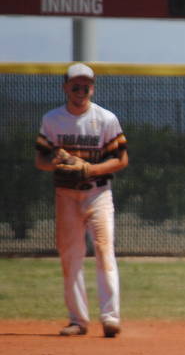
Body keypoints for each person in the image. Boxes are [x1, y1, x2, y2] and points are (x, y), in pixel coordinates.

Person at [35, 63, 129, 337]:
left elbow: (121, 159)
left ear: (93, 88)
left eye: (86, 85)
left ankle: (111, 318)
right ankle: (78, 320)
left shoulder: (105, 119)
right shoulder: (52, 120)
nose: (81, 90)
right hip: (66, 195)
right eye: (75, 85)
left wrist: (90, 169)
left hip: (97, 193)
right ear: (65, 88)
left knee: (103, 250)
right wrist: (58, 161)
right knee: (70, 255)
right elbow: (40, 159)